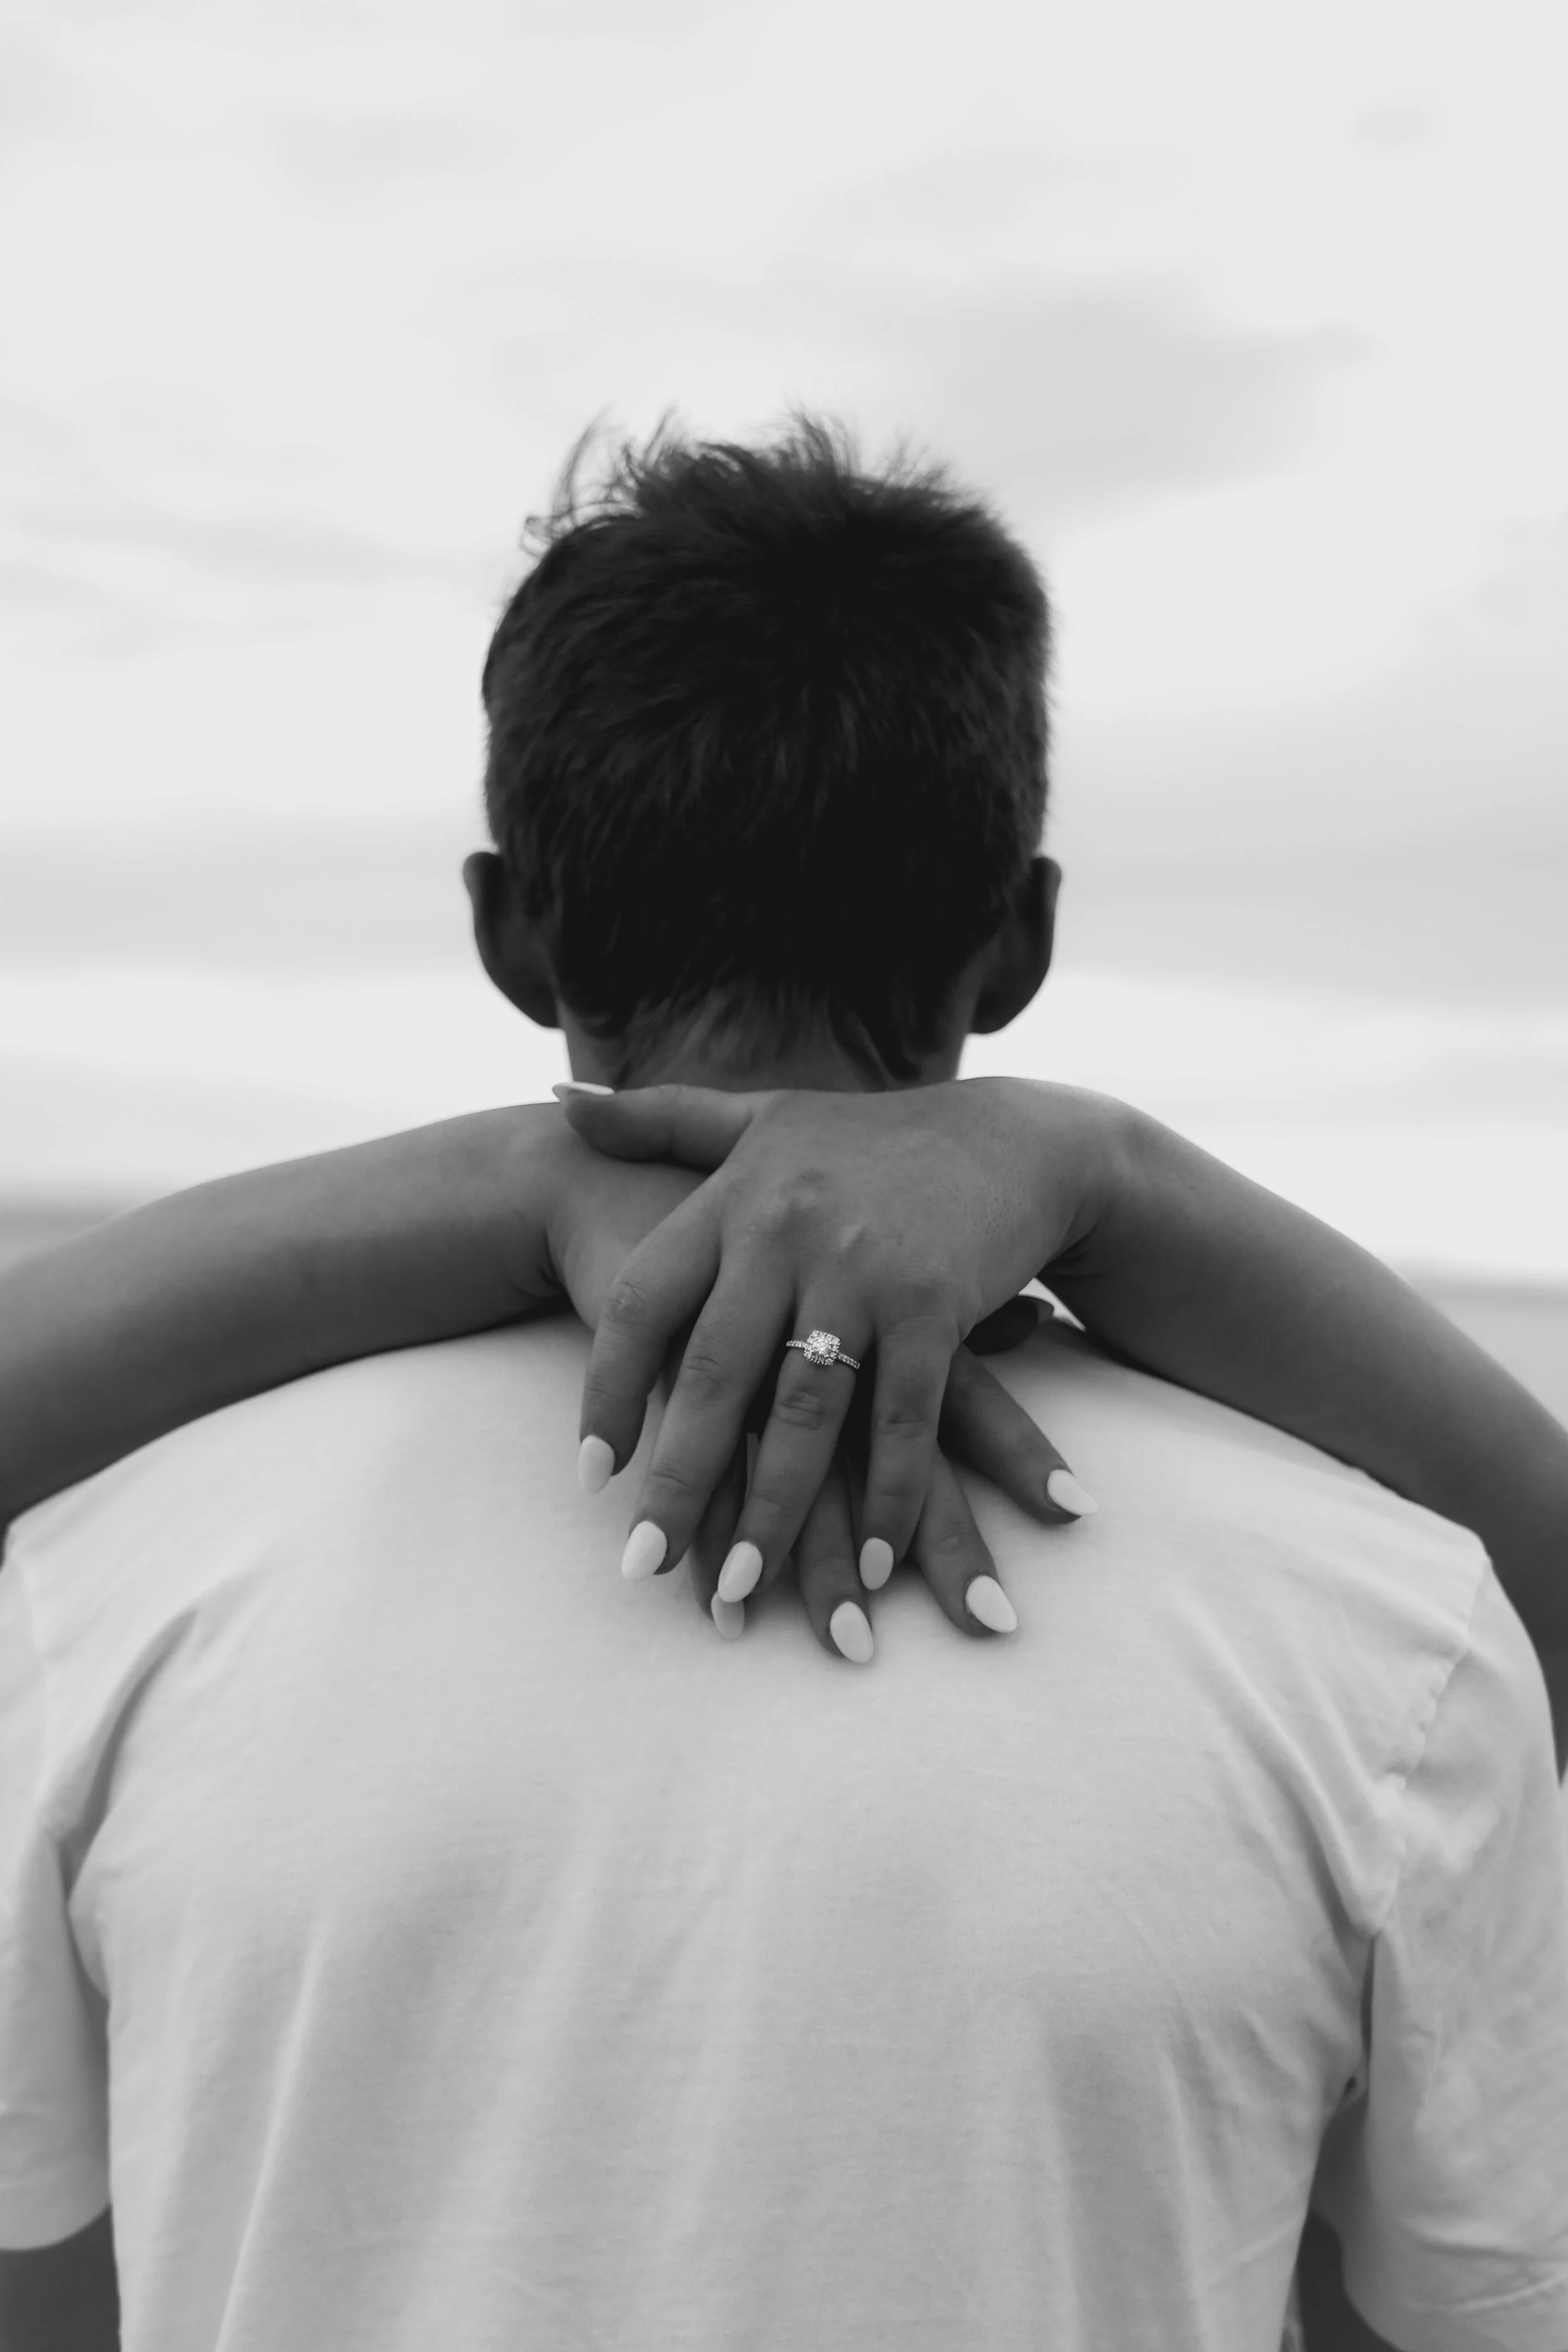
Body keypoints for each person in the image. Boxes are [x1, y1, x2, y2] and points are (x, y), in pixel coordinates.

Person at [1, 419, 1565, 2352]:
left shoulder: (104, 1583)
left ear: (513, 929)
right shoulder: (1392, 1621)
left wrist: (512, 1174)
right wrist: (1103, 1173)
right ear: (1017, 935)